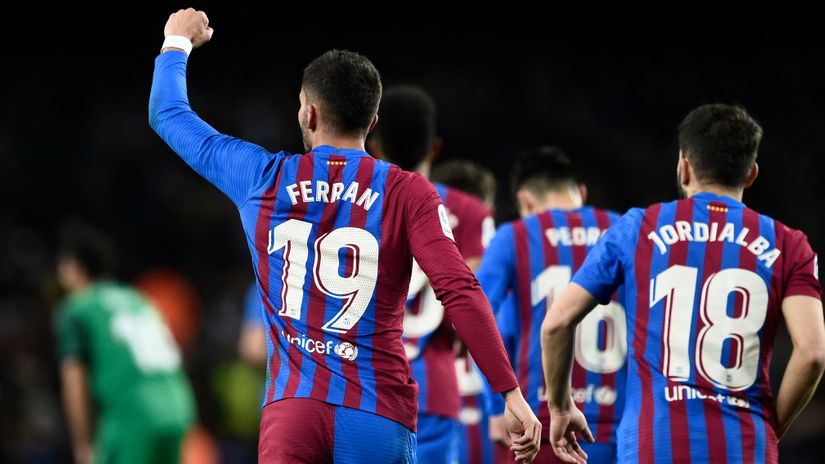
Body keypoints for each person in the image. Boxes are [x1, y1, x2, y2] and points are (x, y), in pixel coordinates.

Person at [149, 9, 541, 463]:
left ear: (308, 112)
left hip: (293, 410)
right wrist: (510, 393)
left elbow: (168, 113)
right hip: (377, 412)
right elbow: (459, 288)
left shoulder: (262, 178)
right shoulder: (408, 191)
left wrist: (175, 42)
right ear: (372, 122)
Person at [542, 104, 825, 464]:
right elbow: (813, 353)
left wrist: (561, 406)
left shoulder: (639, 227)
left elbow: (556, 323)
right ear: (751, 174)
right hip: (744, 446)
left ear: (684, 166)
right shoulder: (789, 243)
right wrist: (770, 428)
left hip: (653, 444)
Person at [368, 85, 496, 463]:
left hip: (364, 386)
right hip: (435, 390)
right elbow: (474, 302)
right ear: (435, 149)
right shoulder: (469, 212)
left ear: (375, 147)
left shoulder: (353, 200)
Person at [476, 147, 626, 463]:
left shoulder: (513, 236)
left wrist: (495, 404)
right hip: (621, 424)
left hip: (540, 424)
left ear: (526, 201)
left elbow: (477, 317)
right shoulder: (625, 229)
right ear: (581, 192)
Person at [54, 224, 195, 464]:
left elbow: (73, 379)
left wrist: (83, 445)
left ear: (74, 268)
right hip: (177, 408)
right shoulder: (139, 299)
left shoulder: (77, 308)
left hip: (133, 416)